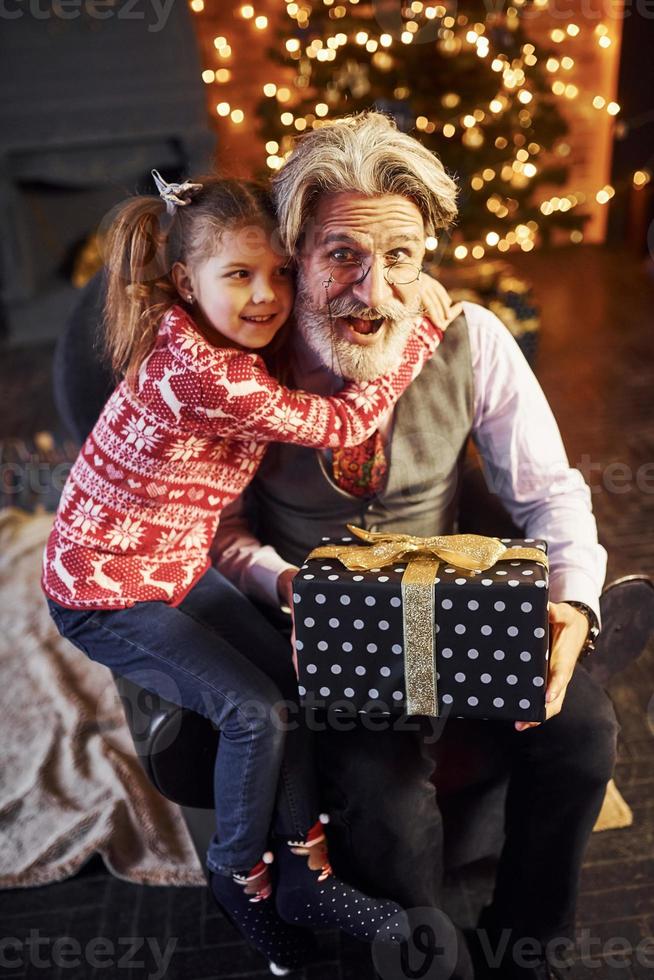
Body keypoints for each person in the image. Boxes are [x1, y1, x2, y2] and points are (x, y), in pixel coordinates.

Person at [210, 113, 621, 979]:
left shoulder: (471, 338)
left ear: (427, 253)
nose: (376, 292)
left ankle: (524, 946)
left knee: (583, 729)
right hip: (332, 650)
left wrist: (576, 606)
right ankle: (428, 959)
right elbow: (219, 532)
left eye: (401, 257)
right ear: (295, 255)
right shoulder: (241, 361)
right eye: (344, 257)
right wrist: (287, 586)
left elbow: (549, 493)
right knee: (385, 809)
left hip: (460, 610)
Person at [41, 171, 456, 973]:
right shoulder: (206, 374)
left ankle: (305, 867)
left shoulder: (212, 332)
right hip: (104, 589)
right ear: (184, 285)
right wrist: (421, 329)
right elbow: (349, 418)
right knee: (252, 714)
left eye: (279, 272)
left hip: (173, 559)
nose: (266, 295)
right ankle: (240, 874)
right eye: (238, 275)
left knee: (292, 679)